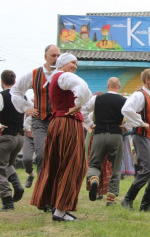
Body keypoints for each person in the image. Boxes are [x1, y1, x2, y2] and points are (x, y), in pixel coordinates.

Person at [30, 53, 92, 221]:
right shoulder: (64, 76)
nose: (75, 66)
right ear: (63, 63)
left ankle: (55, 205)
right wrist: (78, 104)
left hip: (58, 123)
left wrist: (79, 104)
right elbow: (83, 86)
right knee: (73, 164)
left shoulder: (55, 77)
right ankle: (60, 211)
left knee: (56, 165)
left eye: (76, 63)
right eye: (72, 62)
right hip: (67, 124)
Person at [10, 45, 61, 180]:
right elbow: (15, 91)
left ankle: (54, 188)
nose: (56, 59)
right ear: (45, 57)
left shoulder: (63, 75)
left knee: (58, 155)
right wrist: (27, 108)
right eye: (53, 55)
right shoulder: (34, 74)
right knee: (42, 154)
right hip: (40, 120)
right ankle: (42, 187)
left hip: (59, 120)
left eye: (58, 56)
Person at [120, 69, 150, 212]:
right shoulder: (139, 95)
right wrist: (141, 123)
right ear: (147, 80)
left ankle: (145, 204)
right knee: (147, 170)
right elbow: (126, 109)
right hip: (142, 136)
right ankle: (127, 199)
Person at [82, 77, 127, 206]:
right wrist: (126, 127)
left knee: (94, 164)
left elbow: (83, 110)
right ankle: (111, 199)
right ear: (119, 86)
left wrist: (90, 124)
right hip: (116, 135)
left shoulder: (97, 99)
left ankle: (94, 179)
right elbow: (131, 114)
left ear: (108, 86)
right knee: (115, 168)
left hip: (99, 134)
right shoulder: (124, 100)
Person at [0, 70, 25, 211]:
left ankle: (8, 202)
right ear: (14, 81)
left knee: (0, 169)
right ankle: (17, 185)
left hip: (5, 136)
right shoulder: (23, 96)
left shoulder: (1, 96)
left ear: (2, 81)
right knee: (8, 164)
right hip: (19, 137)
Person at [22, 115, 36, 188]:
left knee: (42, 158)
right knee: (26, 159)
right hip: (28, 137)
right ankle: (30, 174)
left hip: (43, 136)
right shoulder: (26, 104)